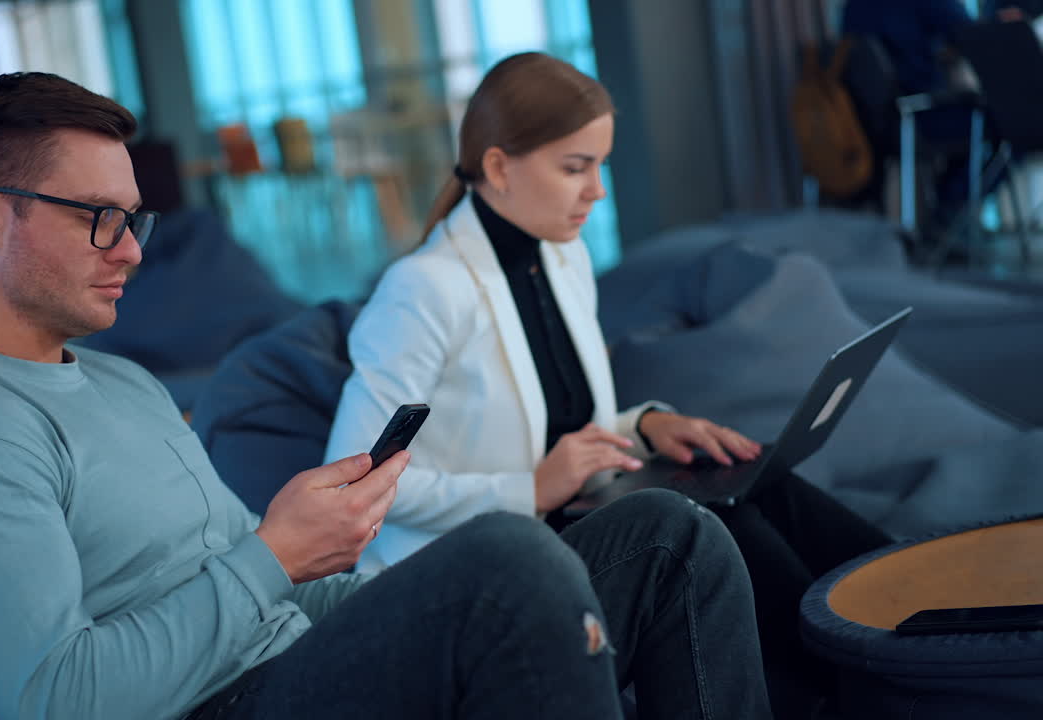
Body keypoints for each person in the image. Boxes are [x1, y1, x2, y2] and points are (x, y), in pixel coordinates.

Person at [0, 72, 772, 720]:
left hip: (293, 669)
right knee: (512, 559)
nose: (131, 249)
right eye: (98, 219)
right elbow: (58, 699)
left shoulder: (119, 381)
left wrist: (385, 592)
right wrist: (276, 557)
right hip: (217, 708)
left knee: (669, 536)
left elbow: (254, 577)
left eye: (132, 220)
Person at [324, 52, 891, 719]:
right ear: (499, 168)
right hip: (477, 568)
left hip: (576, 512)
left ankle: (909, 615)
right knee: (719, 524)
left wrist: (644, 424)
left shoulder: (562, 256)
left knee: (754, 475)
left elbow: (557, 421)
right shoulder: (422, 292)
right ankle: (862, 676)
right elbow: (355, 483)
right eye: (575, 168)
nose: (597, 190)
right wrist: (529, 488)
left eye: (601, 165)